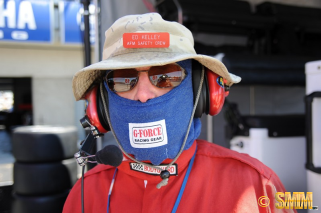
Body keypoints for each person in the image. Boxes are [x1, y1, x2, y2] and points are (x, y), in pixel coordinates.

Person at [63, 13, 295, 213]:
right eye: (123, 80)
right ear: (101, 104)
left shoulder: (258, 185)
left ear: (200, 92)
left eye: (165, 76)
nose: (143, 94)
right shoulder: (85, 195)